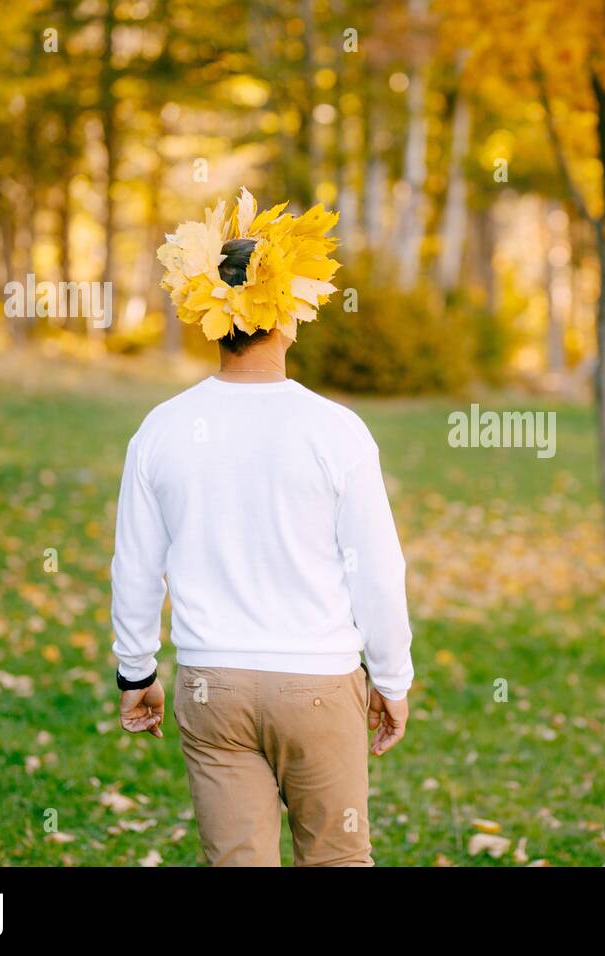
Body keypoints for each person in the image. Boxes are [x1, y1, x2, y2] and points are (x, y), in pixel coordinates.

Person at [110, 190, 414, 866]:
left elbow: (135, 567)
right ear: (290, 315)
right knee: (336, 857)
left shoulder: (159, 431)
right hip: (318, 685)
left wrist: (136, 673)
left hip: (211, 683)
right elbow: (378, 571)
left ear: (209, 317)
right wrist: (391, 678)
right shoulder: (335, 431)